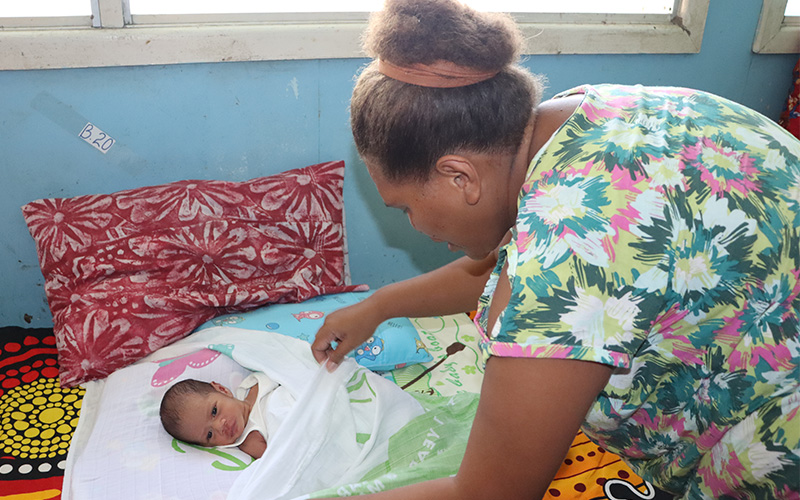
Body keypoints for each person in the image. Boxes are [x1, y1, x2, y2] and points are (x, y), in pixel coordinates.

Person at [310, 0, 800, 498]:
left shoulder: (567, 256)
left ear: (460, 176)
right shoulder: (584, 117)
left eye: (404, 208)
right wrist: (378, 306)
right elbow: (510, 262)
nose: (414, 226)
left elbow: (486, 493)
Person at [159, 373, 294, 460]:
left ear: (222, 389)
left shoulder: (256, 383)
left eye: (214, 411)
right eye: (210, 435)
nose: (219, 426)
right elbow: (281, 461)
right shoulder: (250, 440)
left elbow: (288, 367)